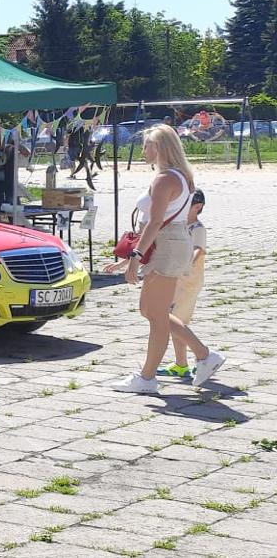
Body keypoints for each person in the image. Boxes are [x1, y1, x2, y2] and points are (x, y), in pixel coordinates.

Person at [106, 125, 224, 393]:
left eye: (147, 145)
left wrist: (134, 256)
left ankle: (147, 377)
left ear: (159, 147)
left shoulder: (165, 179)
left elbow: (156, 221)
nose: (144, 149)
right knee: (150, 311)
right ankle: (204, 354)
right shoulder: (181, 177)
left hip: (166, 244)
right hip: (170, 242)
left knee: (157, 315)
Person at [161, 190, 209, 378]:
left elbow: (199, 250)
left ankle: (202, 355)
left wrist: (187, 264)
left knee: (175, 320)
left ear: (197, 207)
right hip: (176, 279)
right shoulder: (180, 226)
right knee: (176, 321)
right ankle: (181, 364)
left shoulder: (197, 228)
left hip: (188, 281)